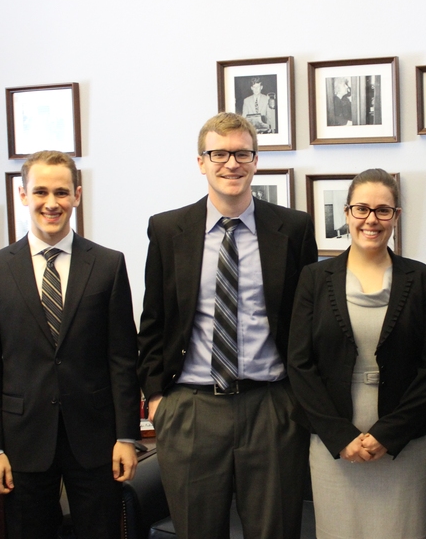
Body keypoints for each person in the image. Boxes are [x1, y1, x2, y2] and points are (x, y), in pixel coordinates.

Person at [136, 112, 318, 538]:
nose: (231, 163)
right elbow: (153, 321)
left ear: (256, 161)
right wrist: (158, 398)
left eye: (242, 153)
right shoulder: (168, 230)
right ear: (201, 162)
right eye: (219, 153)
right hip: (192, 408)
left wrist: (297, 401)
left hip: (271, 407)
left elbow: (308, 323)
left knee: (274, 530)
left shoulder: (292, 229)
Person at [0, 150, 139, 538]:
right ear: (23, 195)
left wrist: (126, 437)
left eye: (61, 192)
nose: (51, 203)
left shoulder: (109, 265)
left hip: (96, 440)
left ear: (77, 195)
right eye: (40, 191)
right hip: (21, 441)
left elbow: (122, 360)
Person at [288, 169, 426, 539]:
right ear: (346, 213)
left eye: (383, 210)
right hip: (335, 442)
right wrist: (340, 435)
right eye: (361, 209)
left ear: (396, 216)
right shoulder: (314, 278)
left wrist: (389, 435)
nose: (371, 220)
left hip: (404, 442)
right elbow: (299, 364)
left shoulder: (422, 279)